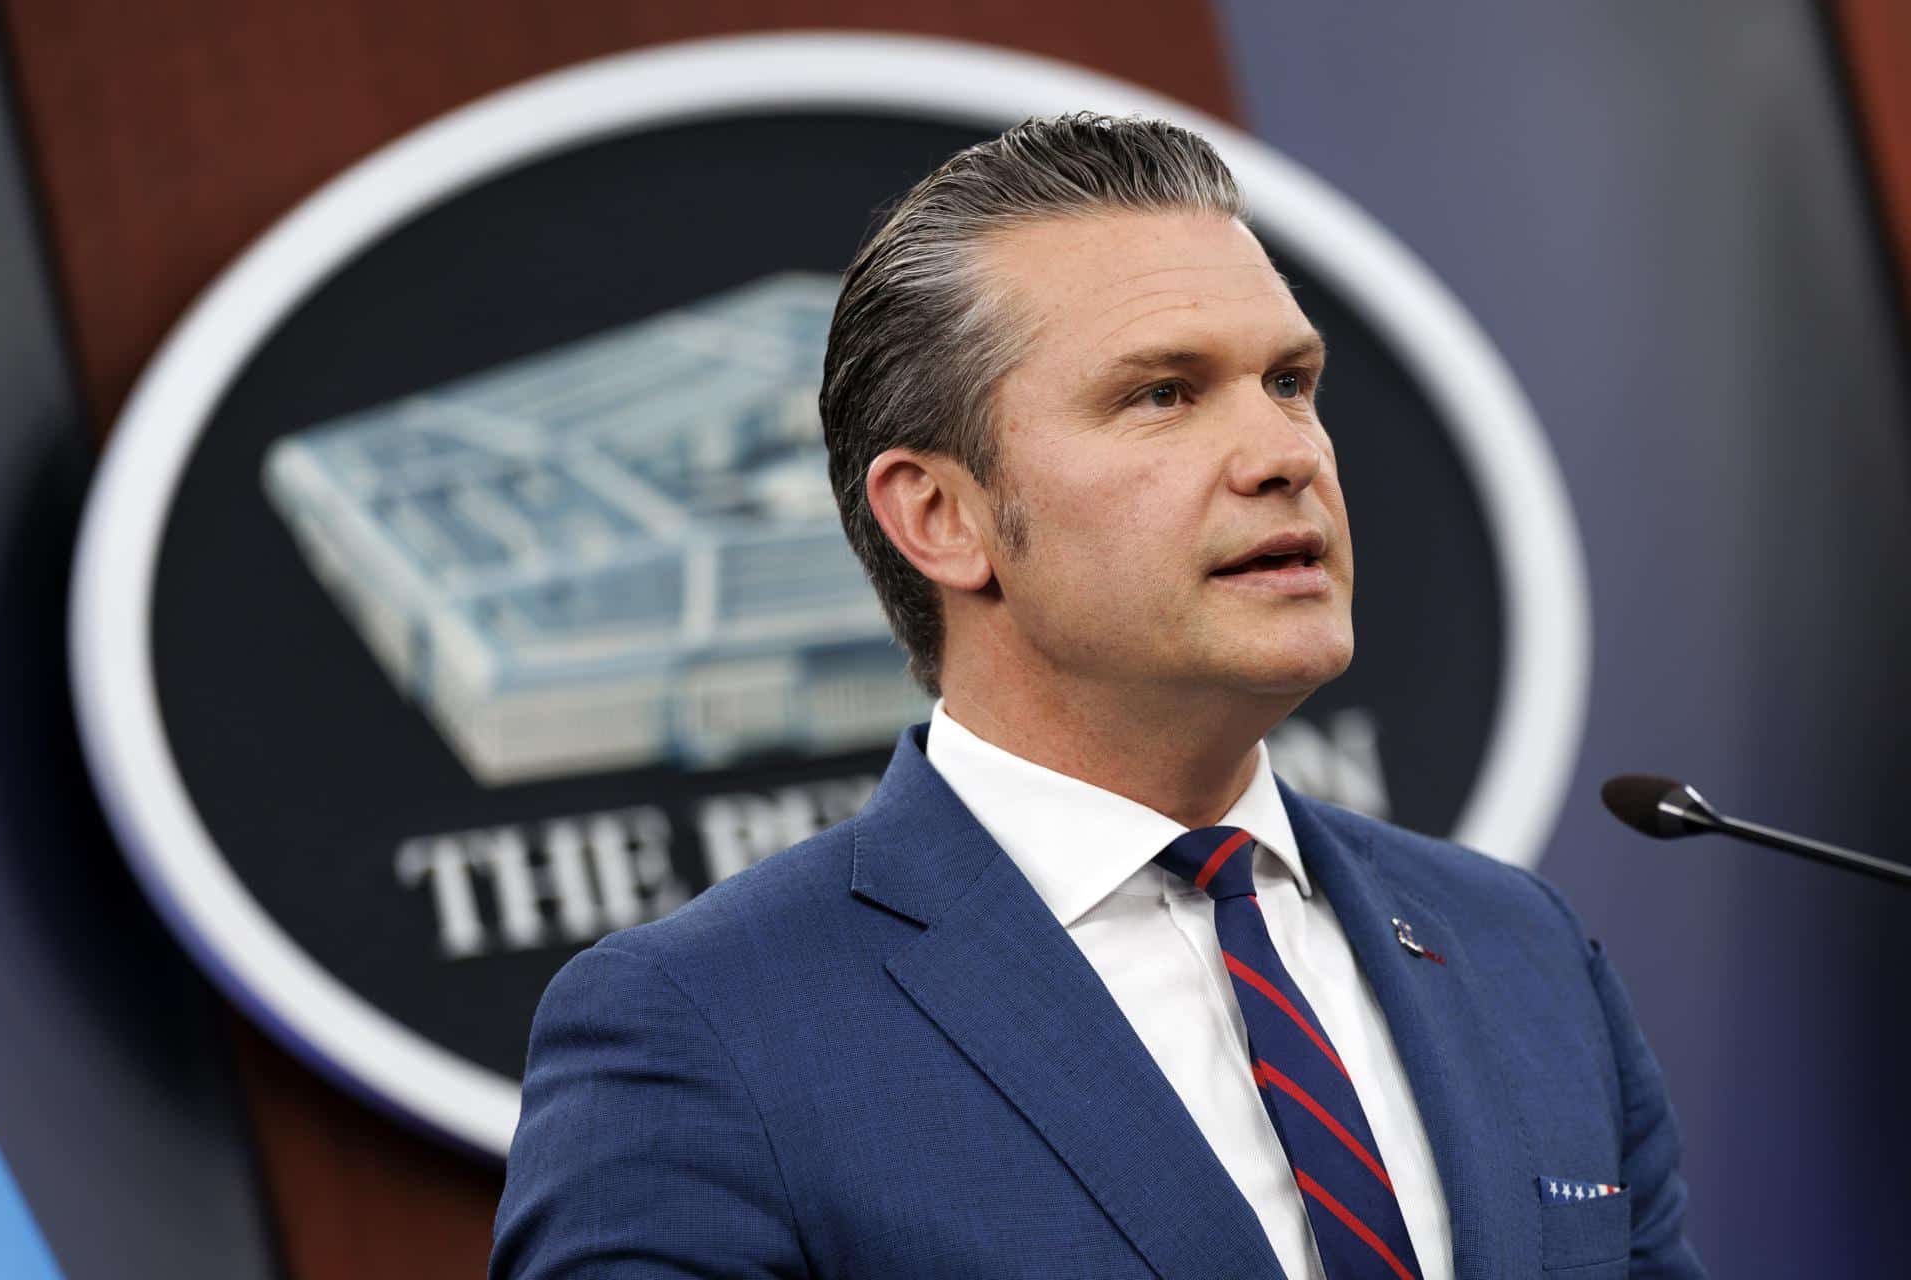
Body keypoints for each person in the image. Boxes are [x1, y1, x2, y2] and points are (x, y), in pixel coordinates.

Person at [491, 113, 1702, 1279]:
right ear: (943, 517)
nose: (1287, 453)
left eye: (1290, 381)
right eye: (1163, 392)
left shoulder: (1520, 948)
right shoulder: (706, 1026)